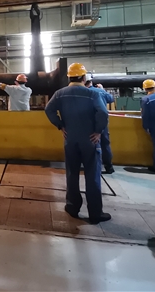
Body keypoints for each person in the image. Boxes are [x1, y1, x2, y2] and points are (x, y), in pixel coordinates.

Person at [45, 63, 111, 223]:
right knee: (93, 175)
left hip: (70, 139)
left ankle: (72, 207)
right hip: (90, 140)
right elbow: (103, 112)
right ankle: (95, 213)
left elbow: (48, 109)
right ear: (83, 77)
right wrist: (98, 131)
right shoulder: (92, 94)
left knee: (72, 174)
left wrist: (60, 125)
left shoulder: (59, 94)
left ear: (69, 77)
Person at [86, 79, 115, 174]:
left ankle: (92, 167)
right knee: (105, 144)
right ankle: (108, 166)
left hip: (88, 123)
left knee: (90, 145)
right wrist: (102, 90)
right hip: (102, 123)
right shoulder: (99, 91)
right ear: (91, 82)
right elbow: (111, 99)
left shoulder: (83, 93)